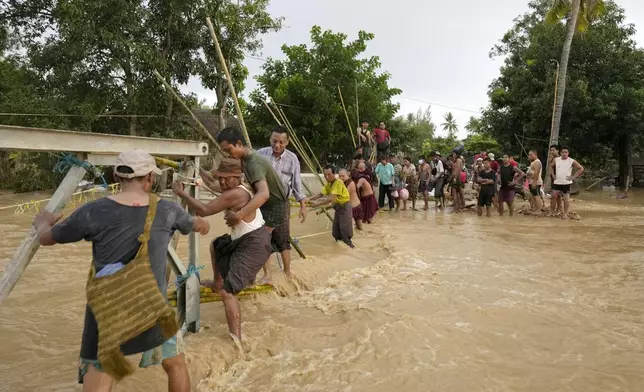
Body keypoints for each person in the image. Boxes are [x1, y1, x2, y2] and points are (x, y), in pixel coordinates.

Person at [33, 149, 210, 391]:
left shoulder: (92, 211)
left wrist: (43, 222)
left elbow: (47, 238)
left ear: (117, 177)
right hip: (152, 307)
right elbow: (196, 224)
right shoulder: (168, 210)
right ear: (150, 178)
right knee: (176, 365)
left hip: (107, 310)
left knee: (101, 369)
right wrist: (204, 224)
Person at [172, 158, 271, 342]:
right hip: (242, 240)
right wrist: (196, 166)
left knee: (228, 293)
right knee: (216, 245)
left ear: (237, 177)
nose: (223, 182)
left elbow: (204, 209)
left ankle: (236, 340)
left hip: (254, 243)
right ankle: (218, 283)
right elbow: (211, 182)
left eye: (226, 179)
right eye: (221, 178)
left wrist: (181, 193)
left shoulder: (236, 194)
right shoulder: (232, 189)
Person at [215, 127, 289, 284]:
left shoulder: (254, 163)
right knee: (267, 239)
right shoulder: (245, 160)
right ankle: (260, 274)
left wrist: (239, 214)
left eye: (229, 150)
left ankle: (266, 275)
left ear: (239, 143)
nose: (228, 154)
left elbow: (263, 194)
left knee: (261, 239)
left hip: (274, 205)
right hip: (266, 203)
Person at [256, 125, 307, 281]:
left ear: (287, 142)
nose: (277, 145)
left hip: (282, 203)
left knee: (283, 239)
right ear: (270, 139)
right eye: (274, 141)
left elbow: (297, 184)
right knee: (264, 238)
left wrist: (303, 206)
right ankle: (267, 274)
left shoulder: (292, 159)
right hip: (262, 202)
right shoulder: (260, 155)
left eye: (281, 142)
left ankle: (287, 273)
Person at [308, 165, 355, 248]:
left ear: (334, 174)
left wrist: (317, 203)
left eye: (329, 174)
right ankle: (339, 251)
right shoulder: (329, 184)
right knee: (336, 233)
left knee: (345, 233)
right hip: (338, 208)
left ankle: (351, 248)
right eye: (325, 175)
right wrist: (308, 199)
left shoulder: (338, 182)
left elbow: (332, 198)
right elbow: (321, 194)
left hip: (344, 207)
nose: (327, 177)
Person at [550, 146, 584, 217]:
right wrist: (553, 175)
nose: (564, 154)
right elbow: (551, 166)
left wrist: (573, 177)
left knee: (566, 199)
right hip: (557, 182)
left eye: (566, 152)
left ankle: (565, 213)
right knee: (553, 197)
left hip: (566, 183)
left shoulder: (571, 161)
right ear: (560, 153)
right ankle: (551, 212)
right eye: (563, 152)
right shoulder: (556, 159)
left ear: (568, 153)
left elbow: (581, 168)